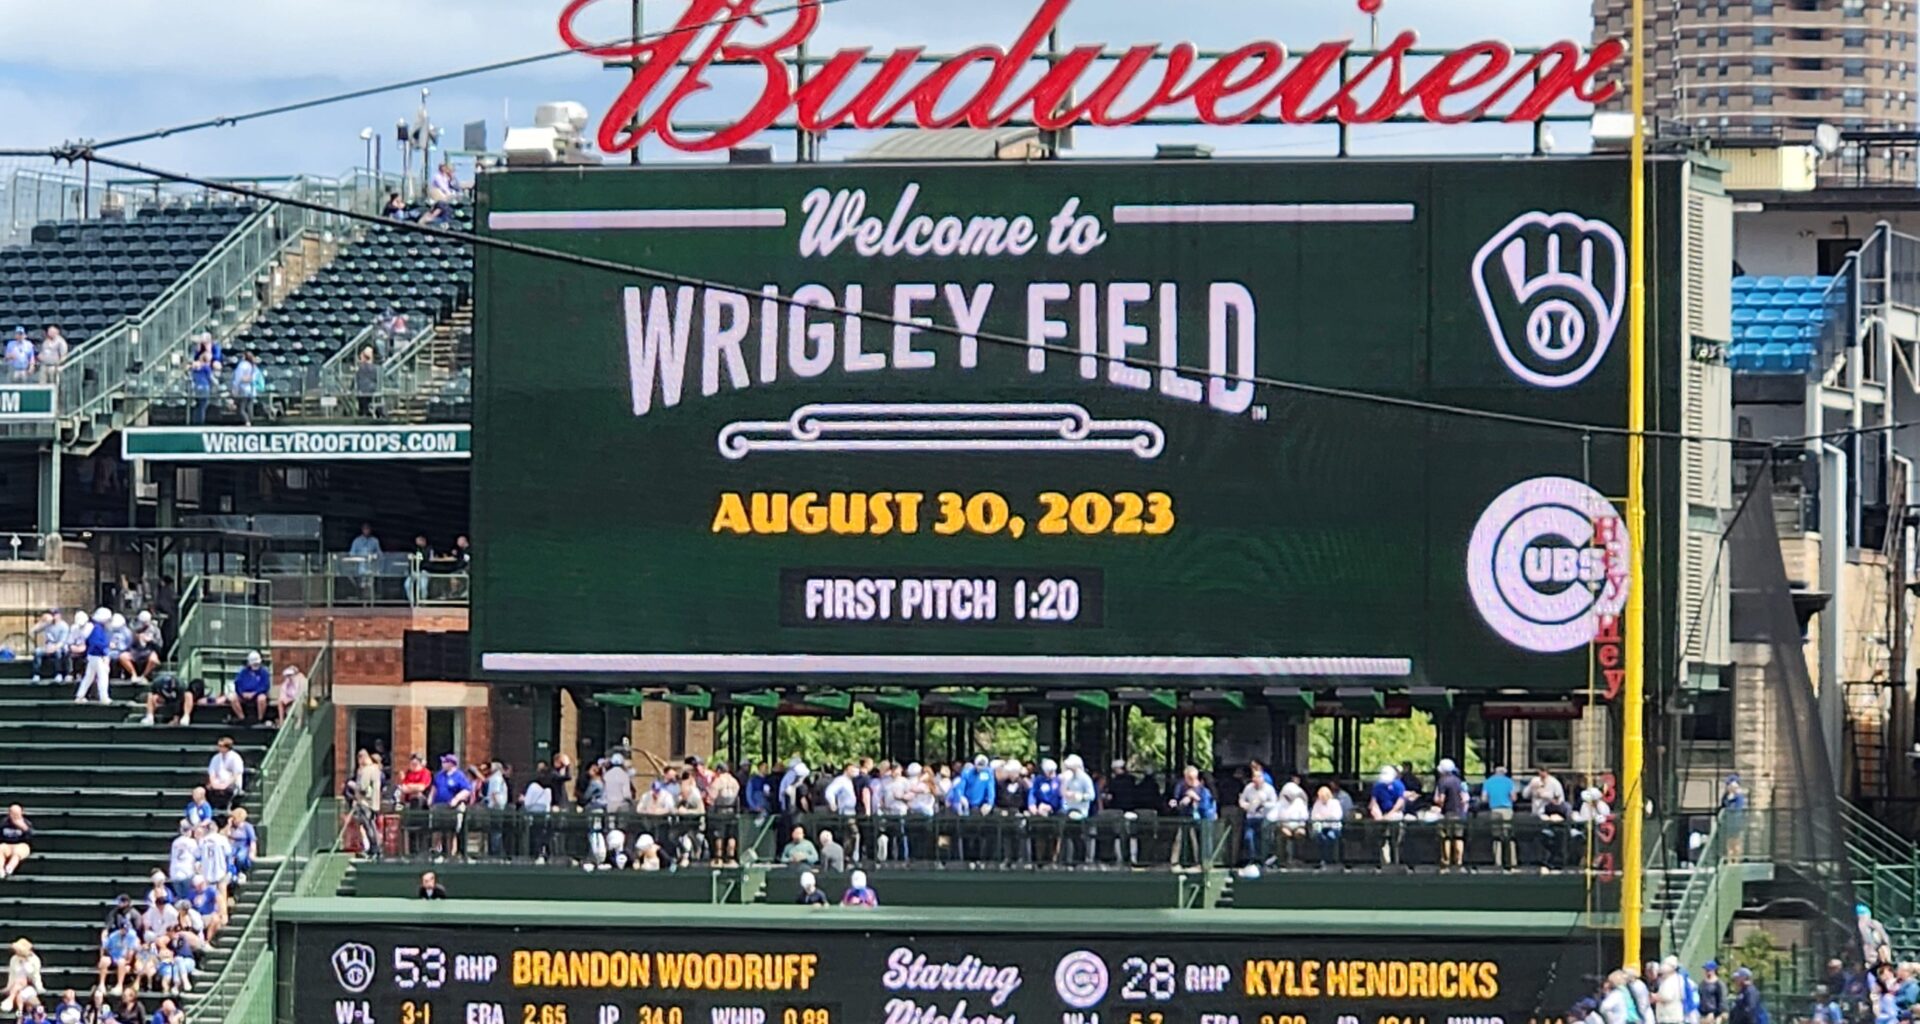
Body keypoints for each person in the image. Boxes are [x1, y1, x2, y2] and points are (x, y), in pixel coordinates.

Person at [1434, 758, 1469, 869]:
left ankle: (1446, 861)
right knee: (1459, 838)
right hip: (1459, 813)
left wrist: (1437, 803)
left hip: (1448, 813)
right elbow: (1465, 798)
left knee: (1447, 838)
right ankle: (1459, 861)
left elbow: (1441, 799)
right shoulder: (1459, 781)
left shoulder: (1442, 781)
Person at [74, 607, 113, 705]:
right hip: (98, 655)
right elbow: (97, 643)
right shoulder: (97, 629)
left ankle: (80, 695)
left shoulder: (95, 628)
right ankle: (104, 697)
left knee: (89, 676)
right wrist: (105, 650)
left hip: (92, 655)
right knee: (103, 676)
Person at [1482, 766, 1518, 869]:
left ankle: (1498, 862)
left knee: (1496, 836)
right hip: (1507, 810)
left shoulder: (1488, 782)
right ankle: (1511, 861)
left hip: (1494, 810)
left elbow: (1484, 798)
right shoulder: (1509, 782)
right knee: (1509, 836)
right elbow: (1514, 797)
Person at [223, 653, 270, 725]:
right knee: (232, 698)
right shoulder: (243, 672)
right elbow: (238, 684)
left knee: (262, 698)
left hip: (257, 694)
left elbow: (265, 686)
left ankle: (260, 719)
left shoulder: (264, 672)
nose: (256, 666)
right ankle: (242, 718)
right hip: (243, 695)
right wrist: (242, 693)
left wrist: (255, 693)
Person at [3, 937, 45, 1015]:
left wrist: (39, 987)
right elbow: (12, 975)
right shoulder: (14, 959)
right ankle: (18, 1009)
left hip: (29, 985)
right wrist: (9, 987)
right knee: (19, 987)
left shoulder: (35, 960)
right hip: (16, 986)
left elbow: (36, 975)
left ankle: (11, 1001)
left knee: (21, 982)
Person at [118, 615, 161, 685]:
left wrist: (151, 641)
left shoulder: (155, 630)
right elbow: (129, 644)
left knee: (153, 659)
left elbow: (160, 645)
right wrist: (136, 638)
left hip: (149, 651)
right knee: (123, 657)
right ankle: (133, 675)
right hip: (136, 651)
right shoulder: (134, 627)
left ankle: (144, 676)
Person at [30, 611, 69, 685]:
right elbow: (33, 631)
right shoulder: (47, 624)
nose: (53, 617)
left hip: (59, 647)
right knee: (37, 652)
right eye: (52, 615)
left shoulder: (64, 626)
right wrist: (42, 621)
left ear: (59, 616)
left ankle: (58, 673)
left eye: (55, 615)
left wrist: (53, 648)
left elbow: (62, 642)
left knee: (58, 653)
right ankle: (36, 674)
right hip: (47, 647)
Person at [226, 808, 257, 885]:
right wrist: (229, 825)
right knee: (229, 856)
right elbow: (225, 835)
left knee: (240, 857)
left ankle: (241, 872)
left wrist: (252, 852)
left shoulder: (247, 826)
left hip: (244, 846)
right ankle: (231, 873)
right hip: (232, 845)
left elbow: (252, 840)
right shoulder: (231, 827)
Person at [0, 805, 32, 879]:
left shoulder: (26, 823)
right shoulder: (3, 823)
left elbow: (31, 837)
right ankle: (0, 869)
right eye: (13, 813)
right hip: (7, 845)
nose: (15, 816)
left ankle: (10, 867)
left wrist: (24, 828)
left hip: (20, 844)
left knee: (18, 852)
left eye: (17, 813)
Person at [185, 346, 214, 426]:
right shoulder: (206, 367)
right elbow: (211, 378)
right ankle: (200, 423)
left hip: (196, 388)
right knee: (203, 406)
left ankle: (194, 421)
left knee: (197, 406)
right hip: (204, 388)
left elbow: (188, 371)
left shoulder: (194, 367)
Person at [230, 351, 260, 426]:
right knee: (250, 407)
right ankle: (251, 422)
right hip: (252, 390)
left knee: (241, 409)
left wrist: (234, 388)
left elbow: (238, 378)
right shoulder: (253, 366)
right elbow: (254, 378)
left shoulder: (242, 365)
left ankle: (247, 421)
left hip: (243, 389)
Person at [353, 346, 379, 417]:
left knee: (364, 404)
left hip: (365, 391)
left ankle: (365, 413)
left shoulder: (362, 368)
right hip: (368, 390)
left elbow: (359, 381)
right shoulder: (373, 368)